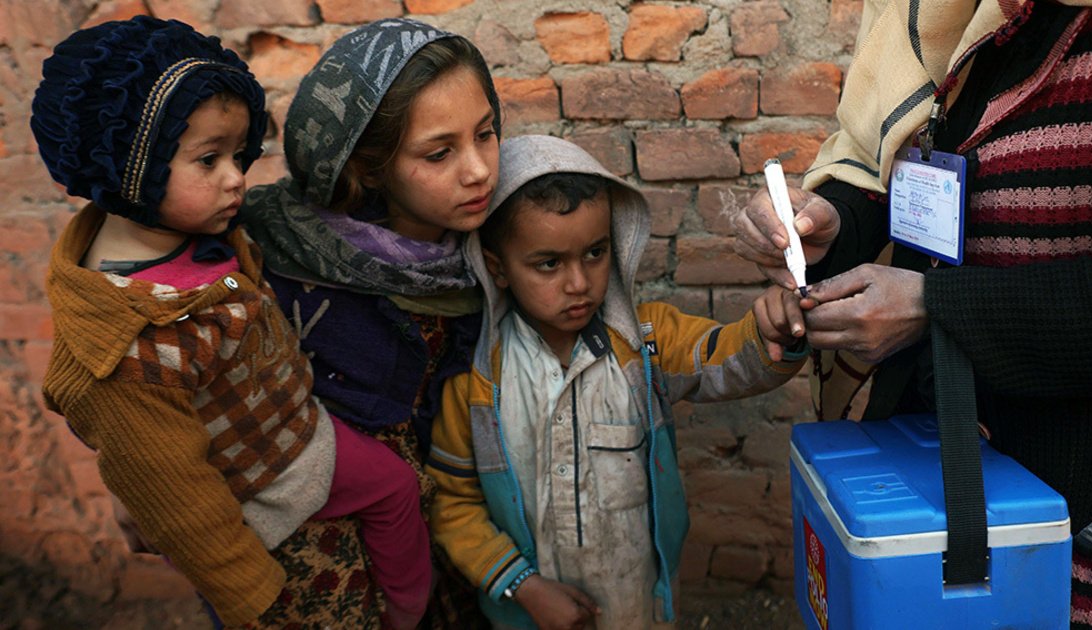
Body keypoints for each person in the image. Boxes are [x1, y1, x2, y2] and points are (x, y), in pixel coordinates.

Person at [732, 0, 1092, 626]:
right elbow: (895, 157)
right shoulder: (938, 13)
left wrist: (936, 308)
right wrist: (832, 224)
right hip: (929, 445)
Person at [31, 17, 432, 629]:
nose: (236, 178)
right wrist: (251, 597)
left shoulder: (193, 237)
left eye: (239, 155)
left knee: (396, 488)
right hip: (265, 474)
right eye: (208, 159)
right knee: (387, 498)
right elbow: (179, 504)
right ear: (129, 168)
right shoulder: (124, 350)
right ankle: (407, 611)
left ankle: (408, 609)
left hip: (290, 429)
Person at [425, 134, 809, 630]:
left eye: (594, 253)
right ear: (497, 268)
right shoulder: (477, 382)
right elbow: (453, 503)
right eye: (548, 264)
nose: (579, 283)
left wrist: (773, 333)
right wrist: (526, 586)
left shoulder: (643, 344)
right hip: (526, 613)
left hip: (635, 607)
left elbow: (727, 359)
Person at [239, 17, 501, 629]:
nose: (479, 169)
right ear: (368, 166)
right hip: (320, 546)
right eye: (439, 152)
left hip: (459, 533)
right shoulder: (270, 258)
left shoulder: (504, 237)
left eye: (486, 134)